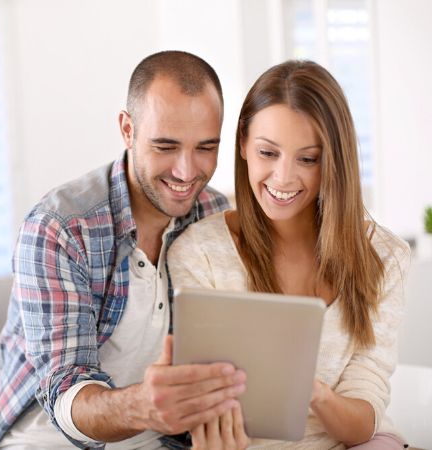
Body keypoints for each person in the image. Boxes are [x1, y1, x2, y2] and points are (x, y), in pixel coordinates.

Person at [0, 50, 249, 450]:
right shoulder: (59, 228)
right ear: (127, 129)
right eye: (165, 146)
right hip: (45, 441)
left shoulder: (214, 215)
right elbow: (66, 394)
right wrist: (145, 407)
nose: (187, 172)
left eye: (205, 148)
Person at [168, 60, 410, 449]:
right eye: (268, 152)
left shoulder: (384, 257)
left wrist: (310, 391)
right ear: (243, 143)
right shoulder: (200, 254)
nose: (283, 178)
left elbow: (364, 418)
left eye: (308, 159)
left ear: (334, 161)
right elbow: (203, 406)